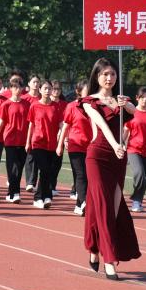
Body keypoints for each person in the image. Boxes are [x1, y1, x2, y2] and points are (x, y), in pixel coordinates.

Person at [81, 57, 141, 280]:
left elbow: (137, 115)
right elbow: (102, 125)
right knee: (104, 207)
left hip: (118, 159)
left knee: (109, 210)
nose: (109, 78)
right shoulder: (89, 101)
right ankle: (109, 259)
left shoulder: (121, 101)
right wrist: (116, 144)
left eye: (113, 74)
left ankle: (94, 246)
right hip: (98, 157)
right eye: (105, 74)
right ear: (97, 76)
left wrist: (127, 105)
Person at [25, 81, 62, 209]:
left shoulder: (56, 107)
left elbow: (61, 124)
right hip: (38, 143)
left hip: (52, 144)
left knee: (49, 171)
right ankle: (38, 198)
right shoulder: (34, 106)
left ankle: (46, 196)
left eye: (49, 89)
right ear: (40, 90)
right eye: (45, 88)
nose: (47, 91)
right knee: (44, 169)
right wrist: (28, 142)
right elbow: (31, 125)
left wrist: (63, 138)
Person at [57, 80, 90, 216]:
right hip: (75, 145)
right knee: (81, 174)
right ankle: (84, 202)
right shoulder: (71, 106)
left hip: (91, 146)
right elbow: (65, 126)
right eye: (87, 89)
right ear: (78, 91)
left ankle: (78, 205)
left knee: (87, 176)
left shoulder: (94, 107)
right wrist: (60, 145)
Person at [124, 87, 146, 213]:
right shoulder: (132, 112)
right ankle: (136, 199)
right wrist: (121, 143)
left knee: (144, 177)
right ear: (137, 98)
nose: (145, 100)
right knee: (139, 174)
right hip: (133, 149)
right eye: (142, 97)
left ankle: (138, 201)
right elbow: (126, 130)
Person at [0, 76, 30, 203]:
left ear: (22, 89)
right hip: (10, 139)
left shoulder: (27, 104)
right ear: (10, 89)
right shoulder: (6, 104)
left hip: (23, 140)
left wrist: (29, 139)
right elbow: (1, 123)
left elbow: (30, 124)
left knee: (20, 167)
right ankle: (14, 193)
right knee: (13, 167)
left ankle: (12, 192)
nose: (17, 89)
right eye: (14, 87)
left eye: (19, 87)